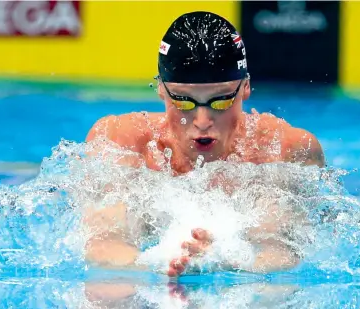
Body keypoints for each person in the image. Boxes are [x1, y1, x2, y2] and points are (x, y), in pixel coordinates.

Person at [84, 11, 325, 277]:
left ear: (245, 87)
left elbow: (284, 252)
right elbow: (103, 243)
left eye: (221, 100)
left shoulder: (284, 149)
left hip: (245, 299)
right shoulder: (122, 141)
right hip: (148, 281)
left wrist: (231, 263)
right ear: (161, 89)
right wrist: (159, 262)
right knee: (108, 292)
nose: (201, 120)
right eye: (183, 101)